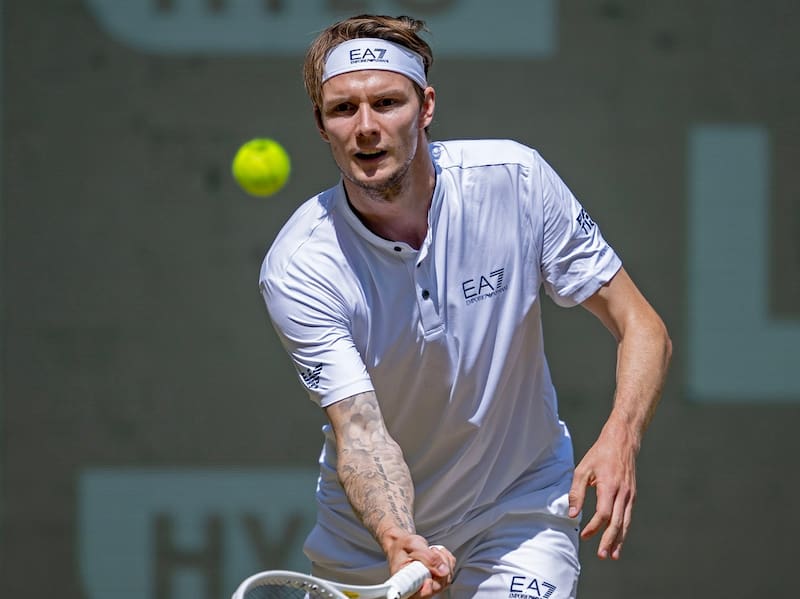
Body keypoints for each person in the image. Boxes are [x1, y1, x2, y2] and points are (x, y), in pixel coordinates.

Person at [259, 14, 671, 599]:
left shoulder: (517, 181)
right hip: (369, 548)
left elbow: (642, 325)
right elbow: (360, 432)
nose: (367, 128)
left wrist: (620, 437)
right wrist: (399, 537)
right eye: (343, 110)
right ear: (322, 127)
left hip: (520, 510)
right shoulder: (300, 266)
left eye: (387, 102)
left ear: (425, 107)